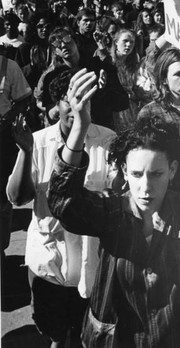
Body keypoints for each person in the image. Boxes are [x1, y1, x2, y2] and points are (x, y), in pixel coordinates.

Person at [46, 54, 180, 347]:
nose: (146, 187)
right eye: (137, 174)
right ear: (123, 173)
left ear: (173, 171)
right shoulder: (110, 211)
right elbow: (62, 202)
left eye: (156, 174)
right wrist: (79, 128)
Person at [7, 69, 117, 348]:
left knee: (88, 334)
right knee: (54, 332)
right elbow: (17, 199)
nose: (78, 107)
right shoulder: (39, 141)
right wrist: (25, 152)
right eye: (71, 99)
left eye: (86, 99)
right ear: (58, 104)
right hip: (49, 264)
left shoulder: (108, 141)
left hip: (93, 266)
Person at [0, 50, 32, 255]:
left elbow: (23, 100)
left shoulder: (8, 66)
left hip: (2, 141)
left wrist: (8, 118)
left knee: (2, 199)